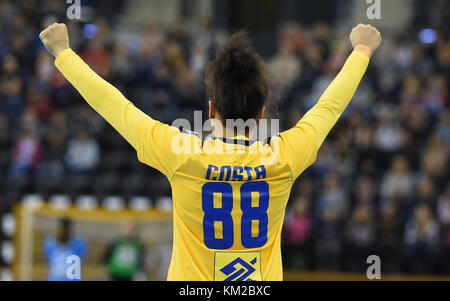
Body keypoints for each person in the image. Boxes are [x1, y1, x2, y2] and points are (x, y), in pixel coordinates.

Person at [39, 22, 381, 281]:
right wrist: (361, 50)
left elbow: (114, 104)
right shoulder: (285, 157)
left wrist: (64, 54)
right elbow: (329, 107)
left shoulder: (181, 152)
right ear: (262, 115)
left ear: (211, 109)